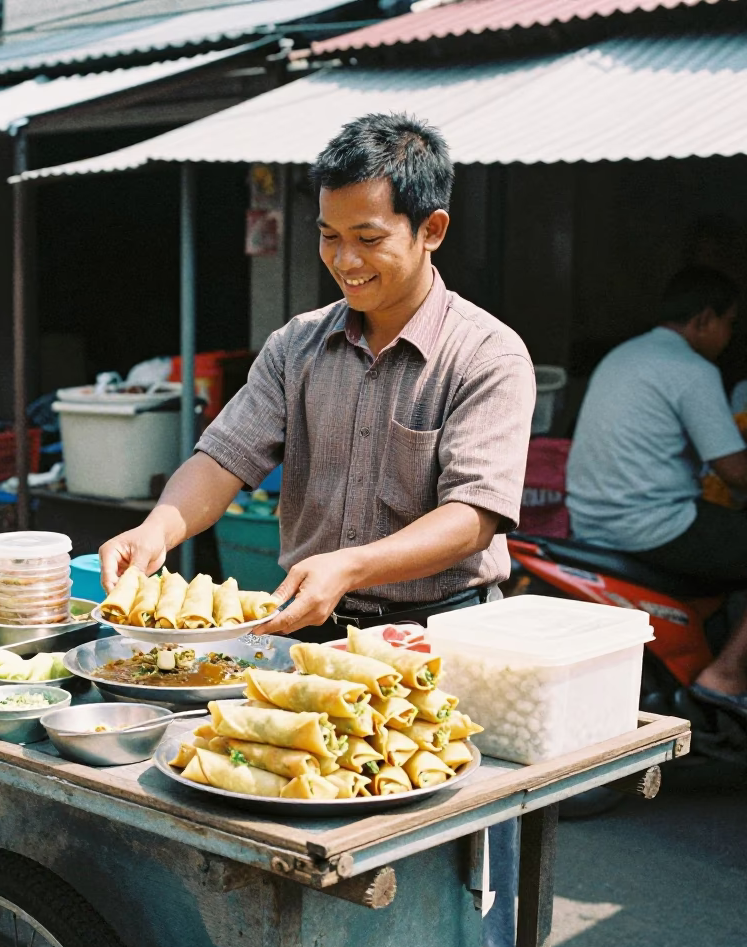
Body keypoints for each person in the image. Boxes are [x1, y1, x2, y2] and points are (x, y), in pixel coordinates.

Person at [99, 112, 535, 640]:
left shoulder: (487, 355)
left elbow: (472, 517)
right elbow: (222, 458)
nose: (345, 259)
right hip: (308, 631)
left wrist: (352, 565)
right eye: (329, 235)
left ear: (432, 230)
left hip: (442, 635)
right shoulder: (295, 346)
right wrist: (158, 527)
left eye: (368, 238)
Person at [566, 264, 747, 715]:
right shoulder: (692, 368)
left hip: (591, 522)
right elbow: (735, 471)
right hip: (654, 526)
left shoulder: (625, 355)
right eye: (729, 324)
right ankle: (727, 676)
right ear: (705, 319)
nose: (728, 336)